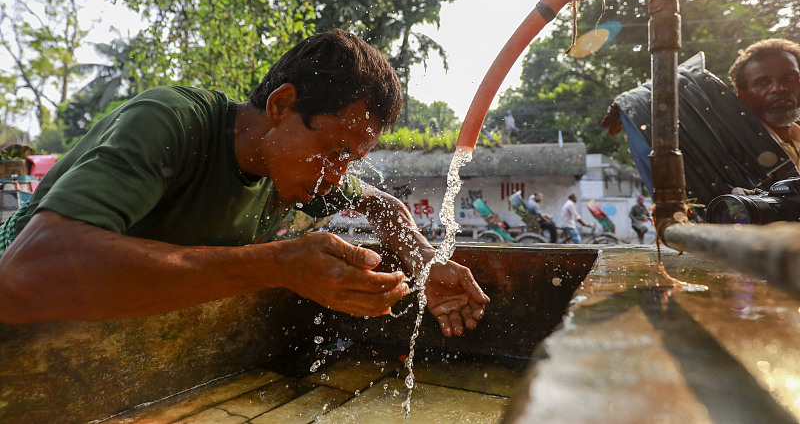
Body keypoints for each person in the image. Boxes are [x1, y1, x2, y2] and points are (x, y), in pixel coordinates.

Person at [0, 29, 489, 337]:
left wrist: (426, 262)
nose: (338, 176)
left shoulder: (299, 173)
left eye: (352, 160)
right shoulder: (170, 123)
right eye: (337, 152)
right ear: (281, 105)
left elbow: (384, 207)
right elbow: (23, 277)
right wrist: (276, 265)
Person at [729, 38, 800, 172]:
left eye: (789, 77)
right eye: (762, 82)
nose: (778, 88)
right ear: (744, 97)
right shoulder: (735, 153)